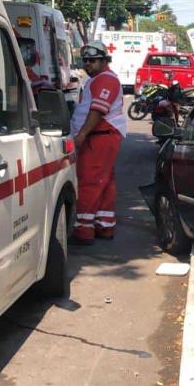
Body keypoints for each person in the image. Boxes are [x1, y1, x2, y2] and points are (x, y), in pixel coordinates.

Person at [70, 41, 127, 244]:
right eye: (85, 61)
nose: (87, 65)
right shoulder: (99, 79)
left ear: (104, 60)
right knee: (104, 182)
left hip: (99, 136)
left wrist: (82, 135)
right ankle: (104, 225)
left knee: (89, 182)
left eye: (92, 61)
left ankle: (84, 230)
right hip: (101, 136)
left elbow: (97, 110)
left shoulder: (105, 80)